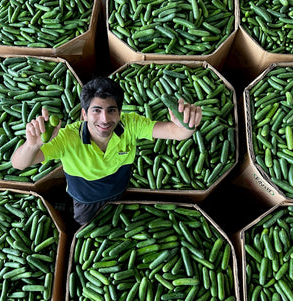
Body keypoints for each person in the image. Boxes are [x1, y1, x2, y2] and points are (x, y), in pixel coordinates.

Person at [11, 77, 203, 226]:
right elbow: (18, 164)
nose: (105, 119)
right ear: (84, 114)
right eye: (96, 110)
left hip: (118, 188)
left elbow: (176, 132)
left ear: (120, 112)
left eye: (111, 110)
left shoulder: (130, 124)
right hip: (84, 198)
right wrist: (32, 145)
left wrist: (188, 125)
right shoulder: (67, 137)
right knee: (84, 221)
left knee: (114, 213)